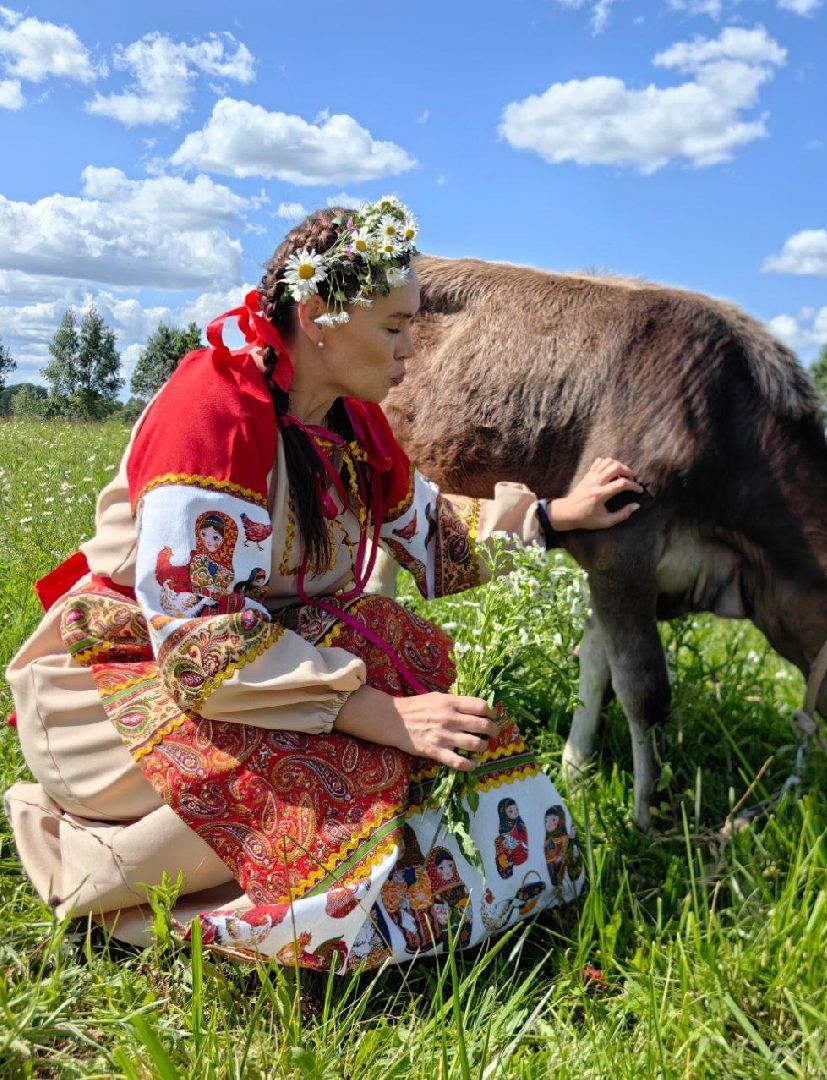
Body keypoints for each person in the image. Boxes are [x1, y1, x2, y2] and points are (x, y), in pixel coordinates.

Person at [3, 196, 643, 971]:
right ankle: (126, 875)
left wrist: (557, 515)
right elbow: (199, 644)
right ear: (318, 315)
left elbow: (435, 537)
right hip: (127, 681)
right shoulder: (214, 417)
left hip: (258, 668)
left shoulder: (353, 422)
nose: (415, 349)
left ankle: (375, 877)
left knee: (392, 646)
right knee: (363, 748)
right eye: (397, 327)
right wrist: (380, 714)